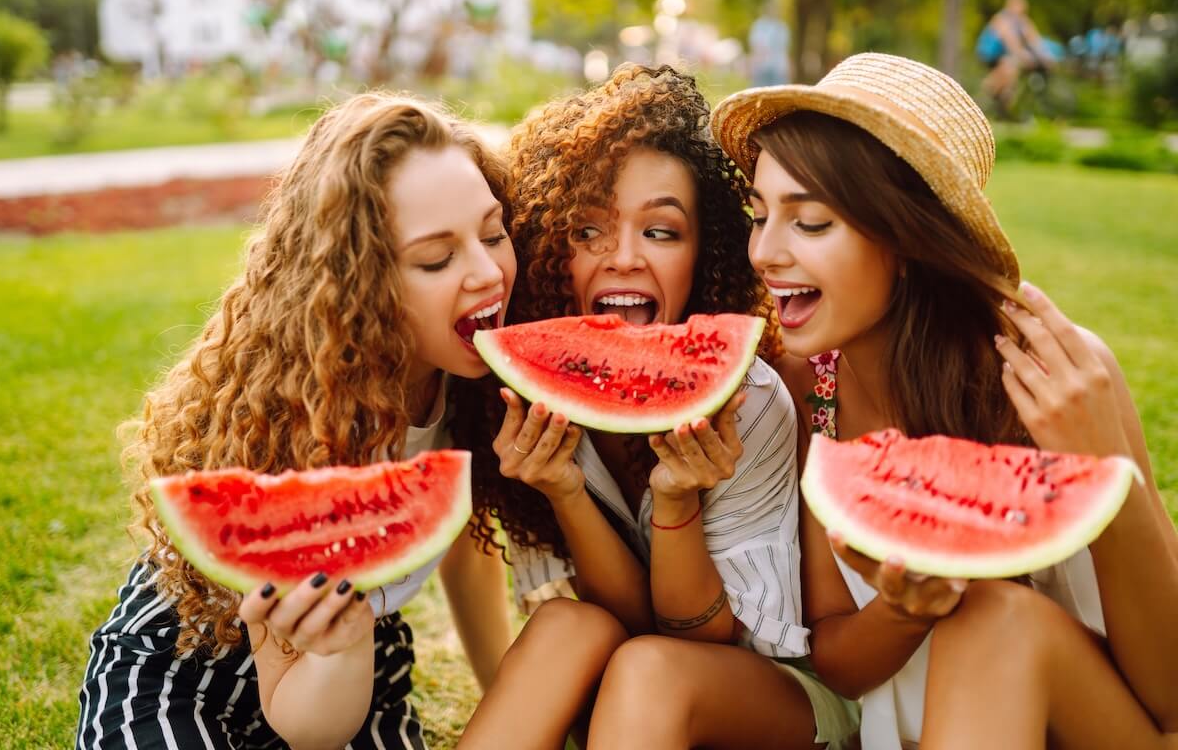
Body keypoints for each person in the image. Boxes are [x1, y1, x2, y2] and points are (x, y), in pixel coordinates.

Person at [711, 51, 1178, 749]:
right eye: (760, 215)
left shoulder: (1054, 378)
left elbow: (1170, 695)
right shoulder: (816, 393)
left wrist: (1110, 470)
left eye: (809, 223)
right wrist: (903, 612)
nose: (765, 252)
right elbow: (837, 655)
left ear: (904, 240)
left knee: (994, 612)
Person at [76, 93, 515, 749]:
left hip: (357, 657)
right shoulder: (296, 416)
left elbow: (463, 537)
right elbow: (292, 702)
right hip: (188, 659)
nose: (488, 274)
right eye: (436, 259)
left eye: (493, 234)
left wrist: (505, 696)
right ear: (361, 282)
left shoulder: (474, 382)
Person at [454, 64, 859, 750]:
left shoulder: (748, 402)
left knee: (648, 668)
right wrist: (565, 491)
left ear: (705, 254)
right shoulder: (526, 395)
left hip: (773, 699)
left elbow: (698, 638)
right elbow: (609, 618)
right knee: (564, 625)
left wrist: (677, 502)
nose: (623, 259)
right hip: (628, 692)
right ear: (550, 246)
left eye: (662, 232)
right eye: (588, 231)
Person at [977, 0, 1057, 115]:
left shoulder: (1022, 21)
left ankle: (1003, 102)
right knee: (1008, 70)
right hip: (990, 54)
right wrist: (1022, 55)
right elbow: (1010, 40)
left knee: (1012, 73)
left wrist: (1046, 56)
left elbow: (1034, 39)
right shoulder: (1001, 19)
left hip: (1005, 56)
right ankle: (986, 98)